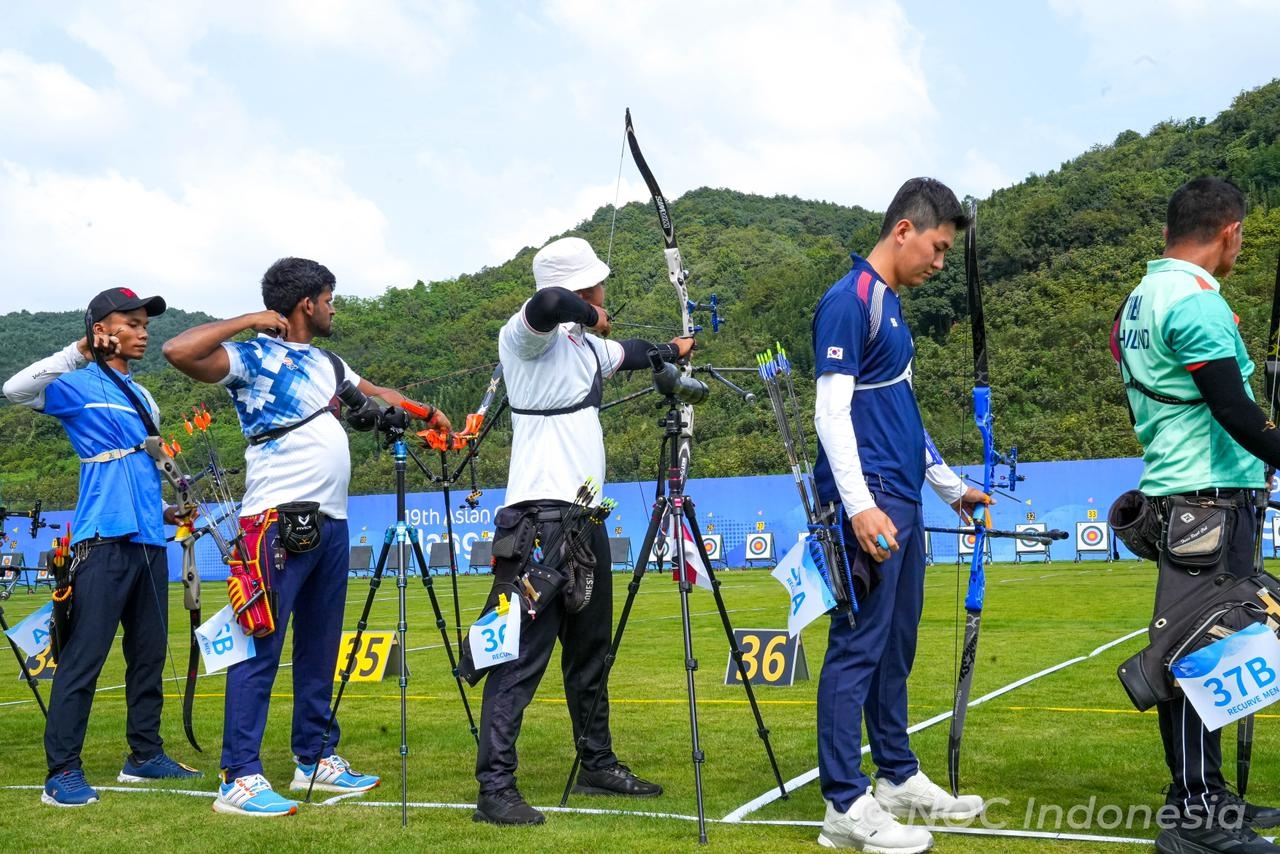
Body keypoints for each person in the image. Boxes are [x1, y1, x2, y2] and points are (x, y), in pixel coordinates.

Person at [162, 257, 450, 817]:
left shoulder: (327, 362)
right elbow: (179, 351)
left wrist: (429, 412)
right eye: (329, 299)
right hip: (274, 521)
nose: (334, 309)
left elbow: (378, 392)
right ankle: (239, 777)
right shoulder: (252, 357)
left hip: (331, 522)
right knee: (259, 645)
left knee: (320, 648)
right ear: (306, 304)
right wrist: (250, 320)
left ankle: (314, 758)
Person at [469, 236, 690, 826]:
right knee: (519, 656)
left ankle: (598, 763)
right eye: (595, 284)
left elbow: (631, 353)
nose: (603, 290)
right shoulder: (527, 339)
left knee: (591, 652)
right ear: (580, 288)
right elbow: (547, 303)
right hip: (539, 523)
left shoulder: (584, 346)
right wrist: (590, 313)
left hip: (585, 519)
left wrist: (672, 349)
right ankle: (495, 788)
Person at [810, 178, 991, 852]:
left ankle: (895, 775)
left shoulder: (890, 308)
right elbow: (830, 413)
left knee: (896, 643)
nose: (939, 262)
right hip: (873, 498)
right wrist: (858, 507)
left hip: (903, 495)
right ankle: (842, 805)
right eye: (937, 248)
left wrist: (951, 488)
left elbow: (904, 416)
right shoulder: (849, 300)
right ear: (904, 231)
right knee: (858, 643)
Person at [1113, 177, 1280, 854]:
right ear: (1230, 232)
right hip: (1205, 501)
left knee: (1219, 648)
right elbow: (1234, 410)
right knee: (1197, 654)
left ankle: (1206, 792)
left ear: (1168, 232)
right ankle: (1195, 817)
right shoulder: (1196, 303)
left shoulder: (1139, 299)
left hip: (1190, 495)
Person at [3, 287, 202, 807]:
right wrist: (79, 351)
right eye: (131, 324)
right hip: (101, 541)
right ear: (101, 330)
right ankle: (62, 771)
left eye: (145, 325)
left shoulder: (146, 397)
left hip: (149, 540)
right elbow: (15, 389)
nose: (143, 333)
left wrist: (168, 512)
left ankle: (145, 756)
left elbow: (140, 470)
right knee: (84, 658)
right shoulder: (77, 385)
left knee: (149, 655)